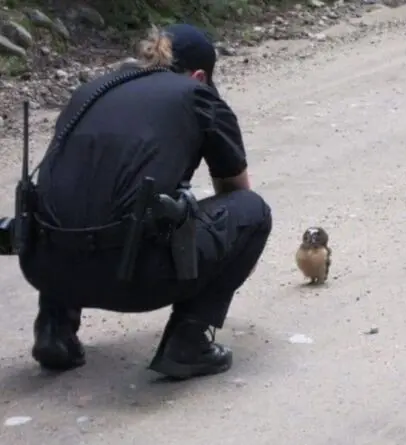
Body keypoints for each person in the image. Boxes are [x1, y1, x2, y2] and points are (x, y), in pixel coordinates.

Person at [17, 23, 273, 380]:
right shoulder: (197, 95)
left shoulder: (90, 91)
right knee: (253, 211)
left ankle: (54, 331)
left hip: (44, 267)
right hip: (133, 279)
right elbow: (235, 189)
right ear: (199, 75)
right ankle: (188, 341)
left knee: (80, 196)